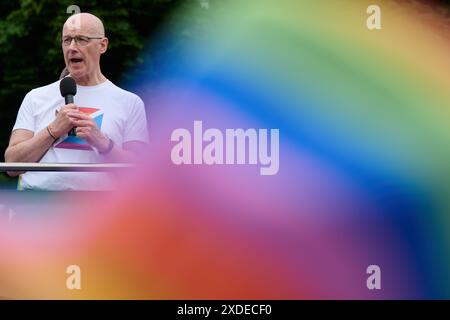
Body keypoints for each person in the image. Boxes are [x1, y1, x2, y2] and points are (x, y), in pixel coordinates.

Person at [4, 13, 149, 191]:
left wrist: (103, 143)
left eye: (81, 39)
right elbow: (11, 164)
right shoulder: (35, 97)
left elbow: (140, 173)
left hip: (102, 210)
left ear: (102, 45)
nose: (72, 47)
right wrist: (53, 130)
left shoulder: (130, 103)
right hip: (38, 208)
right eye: (67, 40)